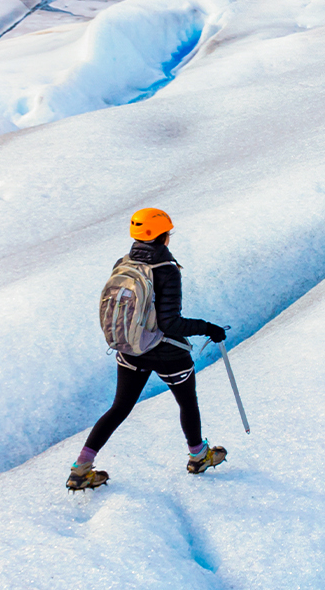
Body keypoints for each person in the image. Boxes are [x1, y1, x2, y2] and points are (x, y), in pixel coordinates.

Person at [68, 207, 229, 490]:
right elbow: (170, 323)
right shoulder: (166, 270)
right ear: (162, 235)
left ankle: (80, 469)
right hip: (166, 352)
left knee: (119, 408)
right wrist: (208, 328)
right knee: (187, 403)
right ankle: (198, 456)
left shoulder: (123, 263)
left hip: (130, 348)